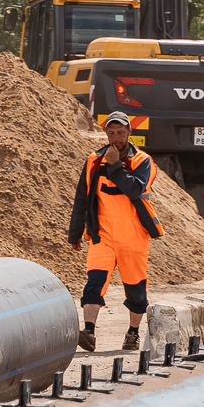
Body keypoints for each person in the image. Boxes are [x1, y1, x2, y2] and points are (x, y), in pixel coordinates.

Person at [70, 110, 162, 353]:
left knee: (135, 289)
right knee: (94, 282)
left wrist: (115, 166)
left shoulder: (143, 161)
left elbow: (134, 189)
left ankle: (132, 332)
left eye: (120, 132)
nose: (116, 138)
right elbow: (82, 198)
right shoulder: (93, 160)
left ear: (129, 132)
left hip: (134, 238)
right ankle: (88, 331)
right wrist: (75, 232)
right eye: (111, 133)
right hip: (102, 236)